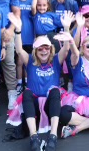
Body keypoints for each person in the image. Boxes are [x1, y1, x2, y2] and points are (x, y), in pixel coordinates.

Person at [7, 12, 73, 151]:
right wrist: (18, 30)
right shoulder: (30, 61)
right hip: (35, 103)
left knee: (55, 91)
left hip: (51, 104)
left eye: (47, 48)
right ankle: (34, 137)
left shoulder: (56, 59)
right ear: (35, 51)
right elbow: (19, 50)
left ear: (51, 49)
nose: (44, 51)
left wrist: (66, 28)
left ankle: (53, 136)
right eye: (40, 48)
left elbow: (66, 48)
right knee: (26, 93)